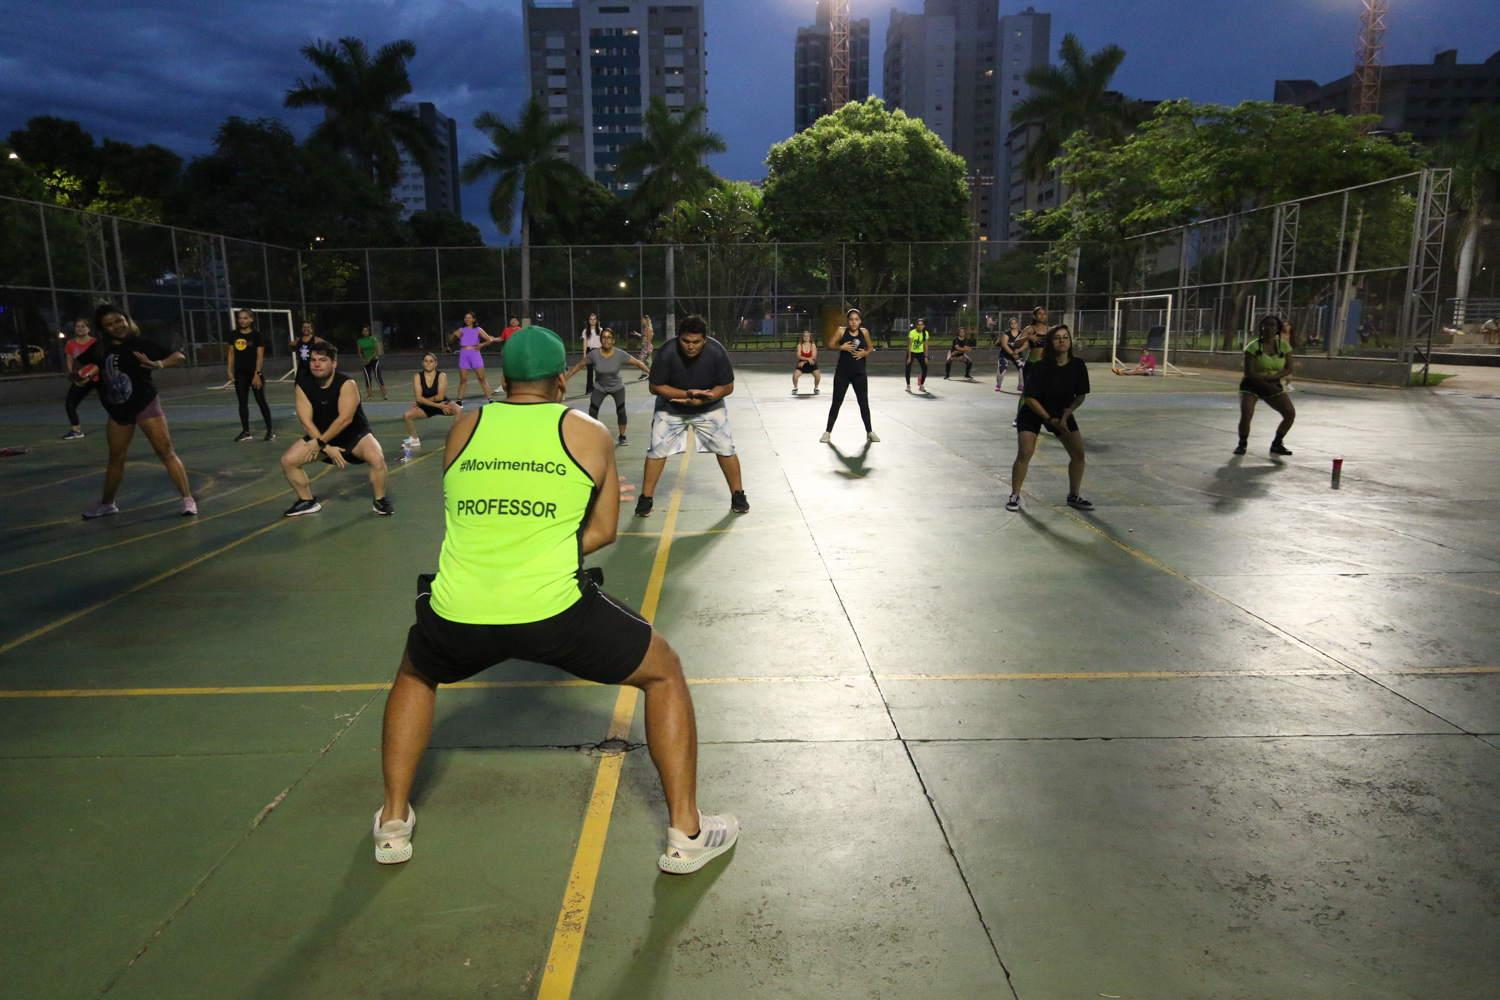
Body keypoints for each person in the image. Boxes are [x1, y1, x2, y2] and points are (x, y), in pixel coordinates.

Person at [371, 326, 737, 873]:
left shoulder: (466, 425)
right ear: (561, 380)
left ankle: (394, 823)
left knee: (416, 673)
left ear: (501, 379)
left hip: (459, 608)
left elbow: (468, 515)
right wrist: (541, 544)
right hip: (553, 611)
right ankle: (687, 832)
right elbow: (606, 531)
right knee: (663, 673)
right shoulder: (588, 431)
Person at [74, 304, 197, 519]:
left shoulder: (140, 344)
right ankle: (107, 503)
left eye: (119, 321)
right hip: (118, 409)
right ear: (104, 329)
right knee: (116, 457)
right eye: (110, 324)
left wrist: (158, 364)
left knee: (165, 451)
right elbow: (78, 363)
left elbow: (178, 357)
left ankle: (188, 499)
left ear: (127, 320)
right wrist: (76, 376)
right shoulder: (100, 349)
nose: (117, 326)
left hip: (145, 404)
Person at [635, 314, 748, 516]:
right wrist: (687, 395)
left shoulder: (717, 352)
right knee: (657, 450)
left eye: (696, 342)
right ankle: (645, 499)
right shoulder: (667, 352)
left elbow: (728, 386)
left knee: (726, 447)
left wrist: (706, 397)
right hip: (671, 408)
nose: (690, 346)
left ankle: (738, 495)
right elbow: (655, 387)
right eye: (686, 341)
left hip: (709, 406)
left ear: (704, 340)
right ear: (679, 338)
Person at [280, 340, 392, 516]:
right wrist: (325, 446)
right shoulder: (303, 385)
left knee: (377, 458)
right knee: (288, 461)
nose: (317, 364)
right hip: (322, 438)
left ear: (334, 363)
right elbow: (306, 421)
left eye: (323, 360)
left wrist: (322, 443)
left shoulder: (347, 383)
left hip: (355, 436)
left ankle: (380, 500)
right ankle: (307, 501)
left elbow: (345, 419)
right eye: (313, 360)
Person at [1007, 325, 1093, 513]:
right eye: (1057, 338)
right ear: (1050, 342)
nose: (1062, 341)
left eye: (1065, 337)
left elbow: (1080, 395)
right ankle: (1014, 494)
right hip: (1033, 411)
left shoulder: (1078, 365)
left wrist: (1066, 414)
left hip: (1060, 412)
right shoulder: (1040, 367)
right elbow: (1029, 398)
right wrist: (1049, 420)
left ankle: (1073, 495)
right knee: (1025, 452)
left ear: (1070, 342)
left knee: (1078, 454)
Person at [563, 328, 650, 446]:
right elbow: (579, 365)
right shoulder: (594, 354)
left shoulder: (620, 354)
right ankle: (594, 434)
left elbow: (637, 363)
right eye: (604, 338)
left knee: (621, 411)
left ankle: (622, 436)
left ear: (613, 340)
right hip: (600, 387)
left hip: (617, 387)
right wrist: (566, 378)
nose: (606, 340)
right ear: (601, 340)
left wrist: (652, 373)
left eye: (609, 338)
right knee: (592, 411)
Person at [1236, 316, 1295, 457]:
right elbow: (1249, 372)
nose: (1268, 328)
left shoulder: (1284, 346)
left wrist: (1273, 379)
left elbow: (1288, 368)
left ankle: (1277, 443)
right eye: (1265, 325)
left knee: (1289, 414)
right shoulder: (1253, 347)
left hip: (1272, 382)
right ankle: (1242, 443)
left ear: (1278, 329)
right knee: (1247, 412)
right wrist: (1265, 383)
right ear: (1261, 328)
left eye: (1272, 325)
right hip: (1252, 383)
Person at [818, 308, 878, 444]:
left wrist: (865, 353)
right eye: (851, 319)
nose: (854, 322)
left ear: (860, 321)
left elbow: (870, 347)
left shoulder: (864, 332)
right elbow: (829, 345)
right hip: (843, 373)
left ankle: (869, 431)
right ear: (848, 321)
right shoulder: (841, 331)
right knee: (836, 403)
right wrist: (841, 347)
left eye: (856, 319)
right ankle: (827, 432)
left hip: (859, 374)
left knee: (863, 403)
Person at [227, 309, 275, 442]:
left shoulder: (256, 336)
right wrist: (229, 370)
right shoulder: (234, 334)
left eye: (245, 318)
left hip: (254, 373)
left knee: (260, 400)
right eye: (240, 318)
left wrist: (257, 373)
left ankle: (270, 430)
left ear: (251, 319)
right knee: (242, 402)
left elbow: (260, 356)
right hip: (240, 373)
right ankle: (246, 431)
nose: (242, 320)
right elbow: (231, 353)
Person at [401, 353, 460, 449]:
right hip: (430, 406)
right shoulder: (417, 376)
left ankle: (455, 437)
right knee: (407, 415)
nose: (428, 363)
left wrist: (423, 401)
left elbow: (440, 397)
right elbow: (419, 398)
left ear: (435, 363)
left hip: (442, 404)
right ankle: (414, 439)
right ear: (422, 363)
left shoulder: (441, 375)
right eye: (426, 361)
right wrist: (436, 405)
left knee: (458, 410)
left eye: (431, 361)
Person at [61, 318, 98, 440]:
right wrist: (75, 376)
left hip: (97, 377)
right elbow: (70, 361)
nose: (80, 329)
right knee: (70, 403)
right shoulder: (71, 344)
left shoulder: (95, 343)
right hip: (80, 379)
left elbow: (99, 361)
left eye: (83, 326)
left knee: (110, 401)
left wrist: (89, 375)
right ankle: (76, 430)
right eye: (77, 326)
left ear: (89, 329)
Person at [449, 312, 496, 404]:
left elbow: (490, 340)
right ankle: (459, 401)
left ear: (473, 319)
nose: (467, 319)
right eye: (466, 318)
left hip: (475, 354)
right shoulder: (462, 329)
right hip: (464, 355)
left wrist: (481, 345)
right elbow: (450, 340)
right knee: (463, 379)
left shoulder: (478, 329)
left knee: (481, 378)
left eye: (470, 318)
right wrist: (454, 335)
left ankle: (490, 399)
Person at [357, 325, 387, 401]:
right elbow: (360, 352)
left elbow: (376, 352)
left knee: (378, 377)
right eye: (364, 331)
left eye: (366, 331)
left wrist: (370, 359)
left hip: (374, 360)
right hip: (366, 361)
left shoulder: (373, 339)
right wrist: (363, 359)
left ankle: (384, 395)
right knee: (367, 378)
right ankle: (369, 396)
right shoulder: (360, 341)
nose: (365, 332)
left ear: (369, 331)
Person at [994, 316, 1023, 393]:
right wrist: (1012, 354)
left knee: (1022, 368)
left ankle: (1021, 385)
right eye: (1011, 323)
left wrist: (1019, 350)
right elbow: (1004, 345)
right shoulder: (1007, 333)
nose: (1013, 324)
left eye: (1015, 323)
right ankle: (998, 385)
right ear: (1009, 325)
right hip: (1005, 354)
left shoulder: (1021, 333)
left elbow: (1025, 344)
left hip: (1017, 354)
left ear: (1017, 324)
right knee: (1002, 368)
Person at [905, 318, 929, 392]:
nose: (920, 326)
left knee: (925, 368)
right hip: (912, 352)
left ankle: (921, 384)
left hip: (920, 352)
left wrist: (926, 356)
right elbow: (909, 345)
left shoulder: (926, 333)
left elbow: (926, 345)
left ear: (924, 326)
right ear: (916, 325)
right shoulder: (912, 333)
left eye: (921, 324)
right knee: (908, 368)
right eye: (918, 324)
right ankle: (908, 385)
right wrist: (909, 357)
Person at [581, 313, 603, 393]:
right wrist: (584, 354)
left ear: (596, 321)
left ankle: (598, 388)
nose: (592, 321)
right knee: (590, 371)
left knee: (599, 371)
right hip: (590, 351)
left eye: (594, 319)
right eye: (591, 319)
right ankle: (589, 389)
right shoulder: (586, 331)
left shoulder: (600, 330)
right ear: (589, 321)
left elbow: (602, 341)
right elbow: (585, 343)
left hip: (598, 351)